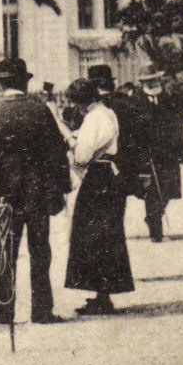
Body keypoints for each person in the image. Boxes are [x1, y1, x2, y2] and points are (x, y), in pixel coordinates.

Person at [0, 58, 72, 326]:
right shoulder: (40, 110)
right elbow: (57, 152)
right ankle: (42, 311)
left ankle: (4, 311)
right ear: (24, 82)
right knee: (40, 251)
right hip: (38, 193)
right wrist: (63, 187)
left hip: (6, 193)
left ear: (2, 84)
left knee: (6, 249)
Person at [63, 77, 134, 316]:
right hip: (111, 175)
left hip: (98, 177)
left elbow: (83, 155)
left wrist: (71, 140)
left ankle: (101, 294)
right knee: (107, 235)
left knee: (93, 235)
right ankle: (103, 292)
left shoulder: (93, 118)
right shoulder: (108, 112)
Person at [135, 71, 183, 241]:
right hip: (148, 155)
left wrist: (182, 150)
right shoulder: (136, 102)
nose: (152, 83)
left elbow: (178, 126)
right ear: (143, 82)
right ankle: (156, 231)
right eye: (148, 81)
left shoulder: (168, 99)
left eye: (155, 80)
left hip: (169, 154)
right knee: (152, 191)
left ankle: (154, 215)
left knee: (168, 189)